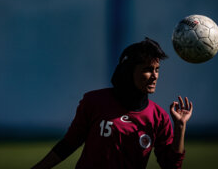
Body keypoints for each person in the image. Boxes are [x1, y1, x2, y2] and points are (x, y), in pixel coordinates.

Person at [31, 37, 193, 169]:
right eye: (148, 69)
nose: (155, 76)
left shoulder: (159, 117)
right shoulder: (94, 101)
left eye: (157, 70)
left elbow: (171, 166)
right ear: (129, 71)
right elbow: (69, 144)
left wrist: (180, 127)